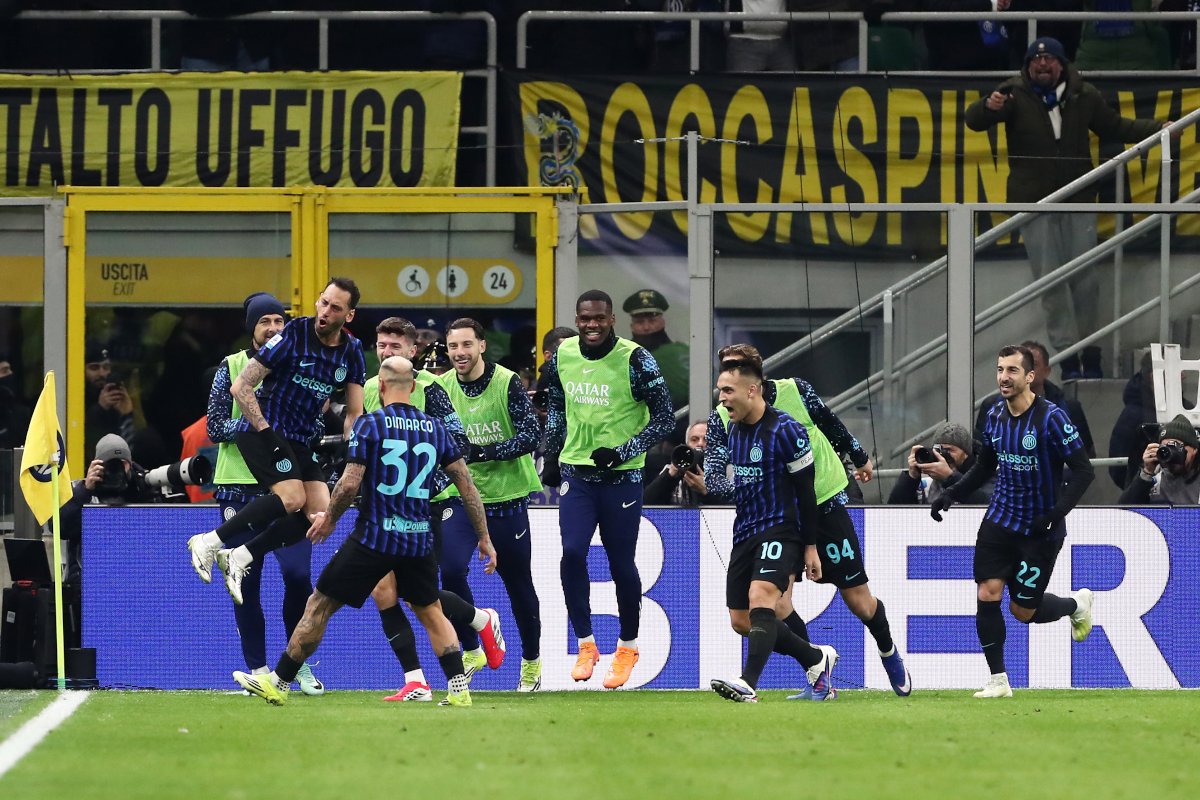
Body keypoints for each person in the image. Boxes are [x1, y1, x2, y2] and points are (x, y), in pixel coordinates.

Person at [234, 356, 497, 707]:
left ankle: (279, 682)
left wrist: (330, 519)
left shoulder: (370, 425)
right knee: (431, 610)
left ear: (382, 386)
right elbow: (467, 487)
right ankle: (458, 689)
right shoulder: (435, 428)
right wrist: (484, 537)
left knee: (319, 604)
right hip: (418, 537)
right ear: (413, 387)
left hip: (374, 538)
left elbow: (349, 483)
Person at [705, 344, 911, 697]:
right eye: (724, 373)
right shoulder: (724, 418)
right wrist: (746, 489)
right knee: (770, 606)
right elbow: (713, 475)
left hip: (822, 502)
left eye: (733, 373)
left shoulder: (795, 393)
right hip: (771, 515)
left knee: (859, 601)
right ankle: (817, 671)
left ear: (754, 378)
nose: (723, 391)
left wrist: (859, 455)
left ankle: (888, 650)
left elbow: (830, 423)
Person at [965, 37, 1173, 379]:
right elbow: (975, 120)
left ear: (1062, 64)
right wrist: (988, 105)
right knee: (1051, 284)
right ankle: (1068, 358)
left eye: (1049, 59)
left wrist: (1158, 130)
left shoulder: (1083, 94)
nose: (1042, 65)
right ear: (1028, 66)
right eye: (1036, 60)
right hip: (1034, 204)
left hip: (1078, 199)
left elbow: (1114, 126)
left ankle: (1090, 352)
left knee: (1086, 281)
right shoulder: (1014, 94)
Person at [930, 345, 1096, 698]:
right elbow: (984, 466)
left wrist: (1054, 515)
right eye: (1000, 369)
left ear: (1030, 376)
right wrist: (951, 493)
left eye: (1012, 371)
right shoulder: (994, 415)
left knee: (1023, 611)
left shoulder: (1052, 418)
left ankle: (1076, 605)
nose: (1003, 377)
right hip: (1000, 520)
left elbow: (1084, 471)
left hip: (1040, 528)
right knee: (987, 592)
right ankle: (998, 680)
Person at [187, 278, 366, 602]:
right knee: (293, 498)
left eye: (335, 307)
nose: (325, 311)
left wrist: (353, 452)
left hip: (298, 440)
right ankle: (209, 541)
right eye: (323, 302)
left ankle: (239, 556)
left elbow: (354, 413)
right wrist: (266, 431)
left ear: (349, 315)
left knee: (321, 514)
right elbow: (241, 386)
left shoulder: (352, 351)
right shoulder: (294, 333)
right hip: (262, 432)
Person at [362, 316, 504, 702]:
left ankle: (480, 620)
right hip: (383, 509)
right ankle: (416, 680)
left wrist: (420, 489)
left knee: (416, 596)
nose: (386, 352)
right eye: (381, 345)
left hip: (427, 509)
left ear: (413, 351)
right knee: (383, 590)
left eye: (395, 346)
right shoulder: (371, 388)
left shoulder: (431, 389)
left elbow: (458, 445)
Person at [542, 289, 676, 689]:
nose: (592, 325)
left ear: (612, 319)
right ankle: (586, 644)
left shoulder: (636, 358)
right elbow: (556, 405)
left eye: (599, 318)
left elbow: (665, 418)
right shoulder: (563, 354)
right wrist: (552, 455)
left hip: (623, 478)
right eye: (585, 318)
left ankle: (628, 647)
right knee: (572, 553)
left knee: (621, 564)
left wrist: (623, 451)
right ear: (577, 319)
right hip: (578, 474)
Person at [204, 293, 323, 696]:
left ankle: (296, 667)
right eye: (264, 322)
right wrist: (263, 428)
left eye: (279, 321)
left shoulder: (298, 364)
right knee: (246, 583)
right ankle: (257, 668)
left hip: (290, 489)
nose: (273, 329)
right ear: (251, 329)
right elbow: (215, 426)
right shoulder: (232, 366)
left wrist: (292, 434)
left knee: (299, 576)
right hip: (240, 486)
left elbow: (313, 427)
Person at [706, 356, 837, 703]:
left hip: (781, 529)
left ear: (752, 390)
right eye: (720, 390)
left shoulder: (786, 430)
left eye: (727, 390)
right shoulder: (734, 431)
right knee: (741, 620)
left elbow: (806, 493)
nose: (721, 398)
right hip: (745, 531)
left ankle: (748, 683)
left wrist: (810, 546)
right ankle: (815, 657)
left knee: (761, 596)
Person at [439, 317, 545, 691]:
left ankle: (531, 662)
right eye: (453, 346)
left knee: (518, 584)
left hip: (506, 498)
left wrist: (482, 451)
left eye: (467, 344)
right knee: (450, 570)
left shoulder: (506, 382)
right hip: (460, 498)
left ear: (482, 346)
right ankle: (472, 648)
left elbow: (531, 435)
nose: (460, 353)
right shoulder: (441, 387)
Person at [975, 340, 1095, 458]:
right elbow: (980, 453)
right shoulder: (991, 406)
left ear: (1046, 371)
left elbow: (1085, 454)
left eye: (1034, 364)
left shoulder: (1068, 407)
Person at [888, 422, 993, 506]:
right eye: (939, 450)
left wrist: (950, 478)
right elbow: (894, 513)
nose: (943, 456)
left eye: (949, 450)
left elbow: (990, 505)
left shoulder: (986, 475)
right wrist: (911, 478)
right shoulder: (926, 485)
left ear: (966, 453)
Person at [622, 289, 690, 415]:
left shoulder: (681, 354)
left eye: (652, 321)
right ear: (632, 326)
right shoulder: (621, 357)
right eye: (640, 322)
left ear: (662, 323)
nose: (646, 327)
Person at [1118, 414, 1200, 504]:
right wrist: (1147, 473)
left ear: (1194, 450)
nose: (1172, 453)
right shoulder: (1155, 475)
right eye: (1166, 448)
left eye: (1176, 447)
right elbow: (1124, 510)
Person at [643, 420, 718, 506]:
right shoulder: (672, 469)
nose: (700, 444)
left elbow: (729, 508)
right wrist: (670, 475)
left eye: (707, 440)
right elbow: (646, 504)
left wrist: (706, 491)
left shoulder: (726, 471)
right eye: (694, 440)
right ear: (687, 444)